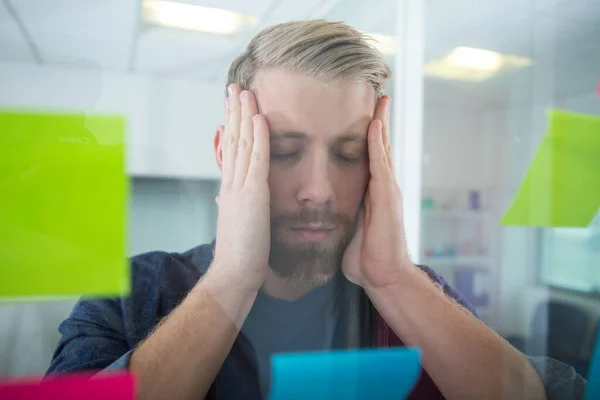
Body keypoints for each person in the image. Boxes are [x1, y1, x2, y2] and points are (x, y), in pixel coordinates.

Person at [47, 20, 585, 400]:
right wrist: (232, 278)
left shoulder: (410, 294)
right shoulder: (130, 295)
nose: (320, 190)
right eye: (283, 151)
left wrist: (394, 280)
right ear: (227, 151)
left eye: (349, 154)